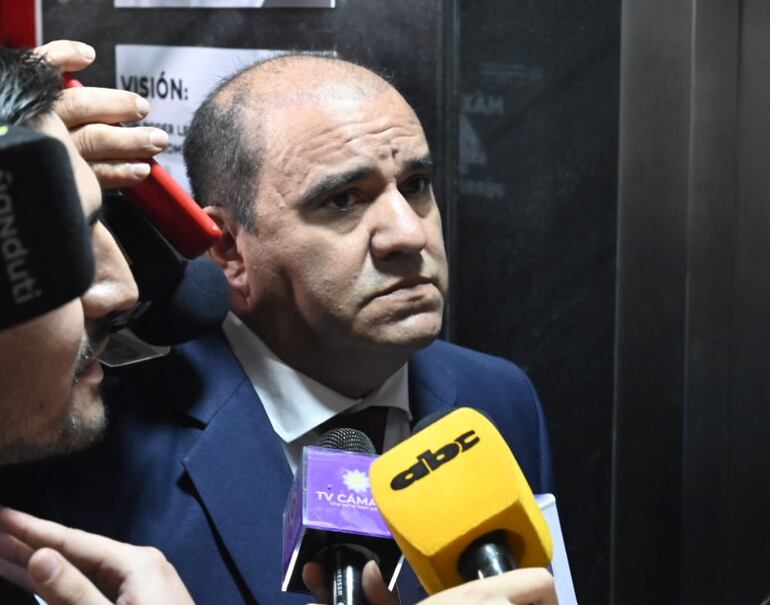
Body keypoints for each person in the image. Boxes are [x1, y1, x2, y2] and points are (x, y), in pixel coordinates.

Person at [1, 50, 557, 605]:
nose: (409, 234)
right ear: (228, 247)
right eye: (343, 200)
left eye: (415, 185)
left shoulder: (499, 399)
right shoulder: (80, 443)